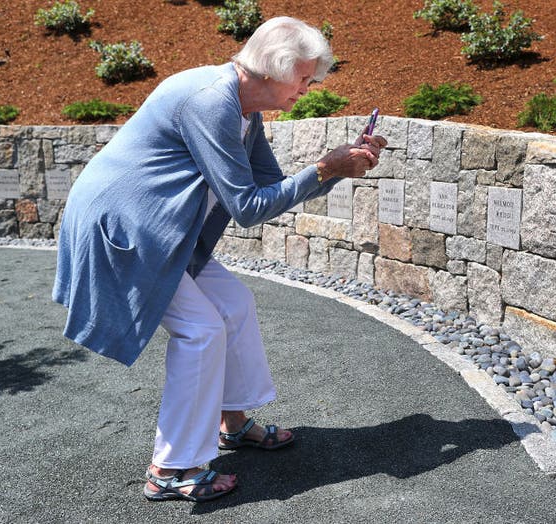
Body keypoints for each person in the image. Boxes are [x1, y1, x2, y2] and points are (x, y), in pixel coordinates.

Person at [52, 16, 386, 503]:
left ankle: (232, 422)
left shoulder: (244, 110)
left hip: (163, 230)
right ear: (274, 69)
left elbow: (273, 188)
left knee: (233, 304)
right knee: (201, 329)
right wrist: (323, 167)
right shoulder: (211, 102)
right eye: (305, 78)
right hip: (128, 232)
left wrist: (338, 168)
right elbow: (248, 207)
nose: (308, 89)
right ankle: (171, 468)